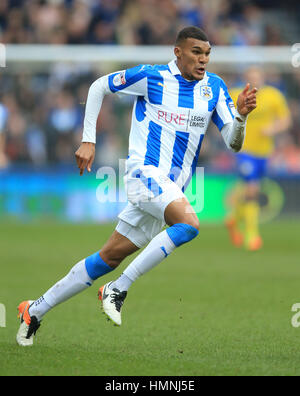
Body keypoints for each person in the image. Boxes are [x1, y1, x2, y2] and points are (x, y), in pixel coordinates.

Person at [17, 26, 257, 346]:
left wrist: (240, 117)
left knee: (108, 258)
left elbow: (233, 143)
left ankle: (34, 309)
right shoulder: (152, 77)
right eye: (196, 52)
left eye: (207, 53)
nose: (204, 59)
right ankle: (118, 288)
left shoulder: (214, 87)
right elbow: (99, 85)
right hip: (144, 174)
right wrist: (88, 138)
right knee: (189, 224)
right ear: (178, 52)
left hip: (170, 189)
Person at [226, 66, 291, 251]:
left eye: (257, 77)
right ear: (245, 79)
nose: (254, 81)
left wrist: (273, 129)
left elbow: (285, 120)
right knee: (252, 188)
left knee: (250, 190)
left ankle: (233, 219)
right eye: (250, 78)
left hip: (264, 152)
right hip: (243, 150)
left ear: (263, 78)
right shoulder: (235, 94)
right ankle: (252, 235)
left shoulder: (274, 96)